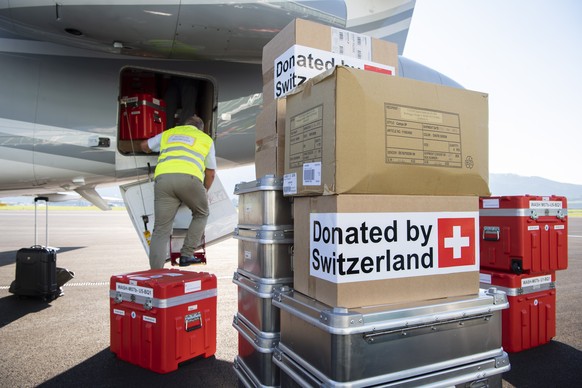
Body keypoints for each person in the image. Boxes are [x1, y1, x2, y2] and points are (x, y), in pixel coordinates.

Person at [141, 115, 216, 269]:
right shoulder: (205, 139)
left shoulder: (169, 133)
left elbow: (145, 146)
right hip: (190, 180)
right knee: (202, 213)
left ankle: (155, 272)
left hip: (163, 181)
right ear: (200, 128)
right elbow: (210, 173)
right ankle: (187, 254)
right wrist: (203, 191)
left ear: (185, 125)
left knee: (161, 229)